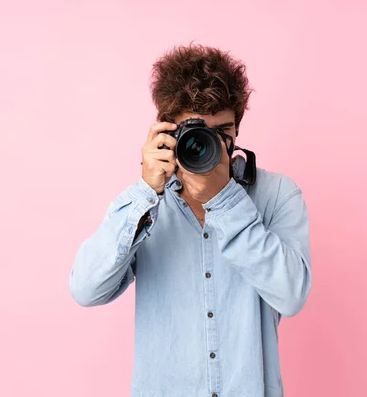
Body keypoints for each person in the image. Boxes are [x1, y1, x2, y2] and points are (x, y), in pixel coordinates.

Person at [69, 43, 312, 397]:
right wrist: (144, 192)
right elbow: (86, 290)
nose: (211, 144)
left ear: (238, 127)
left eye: (222, 131)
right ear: (167, 131)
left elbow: (292, 296)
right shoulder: (146, 204)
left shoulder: (277, 195)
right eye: (197, 132)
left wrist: (224, 199)